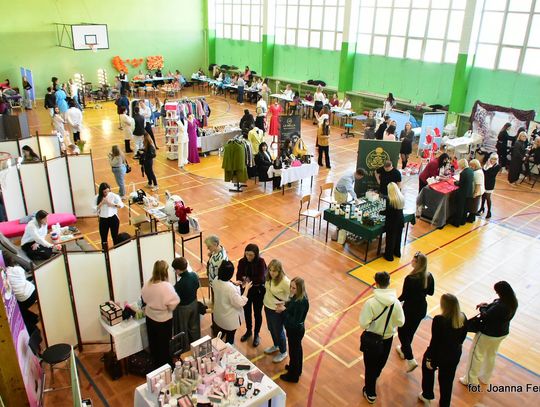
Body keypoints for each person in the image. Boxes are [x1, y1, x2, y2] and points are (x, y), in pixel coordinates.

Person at [460, 281, 518, 386]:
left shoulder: (500, 306)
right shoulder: (512, 302)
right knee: (491, 355)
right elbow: (494, 313)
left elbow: (486, 316)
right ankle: (485, 378)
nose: (496, 293)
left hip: (487, 333)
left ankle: (470, 380)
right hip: (502, 333)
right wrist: (487, 306)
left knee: (476, 354)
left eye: (497, 291)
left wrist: (482, 307)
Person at [359, 271, 405, 404]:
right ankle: (375, 376)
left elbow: (363, 324)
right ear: (389, 283)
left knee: (370, 367)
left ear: (376, 283)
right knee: (380, 363)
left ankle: (370, 393)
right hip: (387, 339)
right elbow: (401, 322)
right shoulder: (396, 303)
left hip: (372, 339)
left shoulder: (371, 303)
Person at [419, 294, 467, 407]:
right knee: (447, 382)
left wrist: (429, 358)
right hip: (454, 355)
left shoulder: (439, 320)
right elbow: (462, 338)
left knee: (427, 370)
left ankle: (427, 395)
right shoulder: (462, 317)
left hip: (439, 354)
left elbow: (434, 341)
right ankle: (445, 404)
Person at [396, 252, 435, 371]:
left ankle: (410, 358)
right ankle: (404, 351)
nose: (411, 261)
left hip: (410, 308)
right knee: (411, 331)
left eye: (413, 260)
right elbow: (431, 292)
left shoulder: (410, 278)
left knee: (402, 332)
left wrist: (394, 301)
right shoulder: (429, 276)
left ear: (418, 263)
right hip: (421, 308)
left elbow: (404, 296)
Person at [141, 260, 180, 368]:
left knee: (153, 343)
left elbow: (144, 298)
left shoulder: (148, 284)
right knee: (164, 345)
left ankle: (155, 365)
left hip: (150, 317)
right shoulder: (166, 286)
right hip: (163, 320)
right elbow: (174, 302)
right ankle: (165, 366)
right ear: (165, 272)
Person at [277, 277, 309, 383]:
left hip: (295, 330)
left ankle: (293, 376)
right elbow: (291, 306)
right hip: (296, 329)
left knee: (294, 352)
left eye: (294, 288)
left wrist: (284, 310)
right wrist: (285, 305)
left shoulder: (301, 302)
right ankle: (296, 369)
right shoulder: (298, 296)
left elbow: (294, 320)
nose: (291, 289)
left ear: (300, 288)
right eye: (291, 287)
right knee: (297, 350)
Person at [212, 260, 251, 344]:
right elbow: (240, 302)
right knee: (229, 340)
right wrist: (247, 288)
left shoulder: (215, 280)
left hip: (219, 315)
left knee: (220, 334)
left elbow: (224, 286)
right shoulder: (230, 289)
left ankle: (217, 346)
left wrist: (233, 283)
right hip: (229, 320)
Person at [236, 244, 267, 347]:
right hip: (246, 292)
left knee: (257, 314)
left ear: (256, 254)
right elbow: (238, 276)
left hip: (258, 292)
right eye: (247, 254)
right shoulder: (242, 261)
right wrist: (247, 279)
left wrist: (246, 279)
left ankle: (256, 334)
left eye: (251, 255)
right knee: (247, 312)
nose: (248, 257)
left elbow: (261, 278)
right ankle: (249, 331)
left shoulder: (261, 262)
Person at [263, 259, 290, 363]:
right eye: (270, 270)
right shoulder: (269, 277)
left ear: (279, 271)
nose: (271, 272)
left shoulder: (285, 282)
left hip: (277, 311)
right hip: (267, 306)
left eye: (274, 271)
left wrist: (284, 305)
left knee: (278, 331)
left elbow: (293, 296)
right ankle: (276, 345)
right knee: (271, 328)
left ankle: (283, 351)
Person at [4, 253, 39, 332]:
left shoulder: (4, 276)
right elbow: (23, 279)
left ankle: (32, 330)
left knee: (26, 316)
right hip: (32, 291)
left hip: (22, 299)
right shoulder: (18, 269)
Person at [172, 257, 201, 344]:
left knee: (183, 328)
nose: (175, 272)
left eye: (175, 270)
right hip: (194, 303)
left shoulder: (180, 284)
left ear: (178, 270)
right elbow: (197, 286)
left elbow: (175, 297)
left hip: (183, 308)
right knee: (194, 326)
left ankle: (185, 347)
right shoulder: (194, 275)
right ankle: (196, 343)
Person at [95, 182, 124, 248]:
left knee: (115, 237)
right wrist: (101, 203)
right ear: (101, 192)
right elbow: (93, 210)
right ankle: (105, 252)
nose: (106, 193)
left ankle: (116, 250)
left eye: (108, 191)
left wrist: (112, 204)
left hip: (113, 218)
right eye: (105, 192)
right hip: (103, 219)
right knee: (103, 239)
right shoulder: (97, 197)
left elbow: (121, 205)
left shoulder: (114, 196)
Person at [382, 182, 405, 261]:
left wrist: (380, 212)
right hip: (400, 220)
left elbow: (388, 212)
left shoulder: (390, 200)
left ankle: (389, 256)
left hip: (392, 223)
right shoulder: (401, 197)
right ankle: (397, 253)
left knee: (390, 240)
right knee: (398, 238)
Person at [452, 159, 474, 226]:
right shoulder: (471, 171)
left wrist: (455, 182)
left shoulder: (463, 173)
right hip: (469, 192)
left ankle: (457, 223)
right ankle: (463, 221)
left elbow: (460, 184)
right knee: (465, 208)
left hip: (462, 193)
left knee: (460, 208)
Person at [480, 153, 501, 219]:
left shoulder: (497, 166)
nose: (493, 160)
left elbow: (492, 174)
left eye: (495, 159)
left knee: (488, 197)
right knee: (483, 196)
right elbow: (483, 171)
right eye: (492, 159)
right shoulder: (487, 164)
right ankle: (481, 208)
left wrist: (488, 167)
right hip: (484, 182)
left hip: (490, 183)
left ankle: (489, 211)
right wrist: (486, 167)